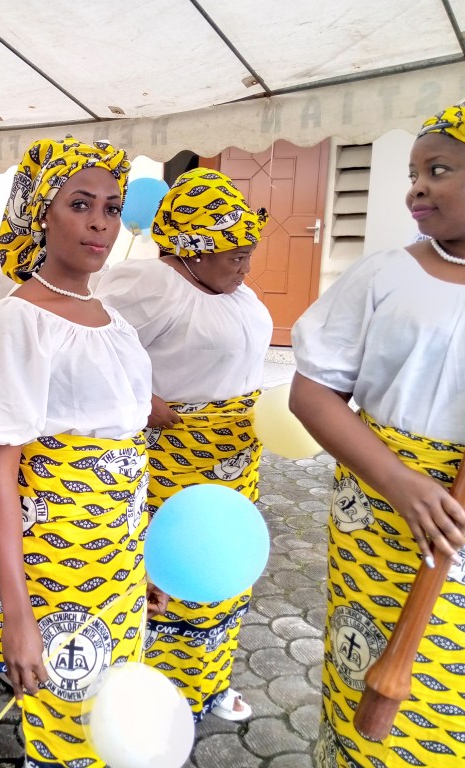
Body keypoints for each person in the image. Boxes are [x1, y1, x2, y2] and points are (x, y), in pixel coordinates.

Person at [289, 73, 465, 767]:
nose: (415, 189)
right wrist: (400, 482)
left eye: (438, 171)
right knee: (365, 684)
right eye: (413, 174)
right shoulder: (383, 275)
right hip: (381, 518)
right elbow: (311, 394)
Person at [0, 137, 154, 767]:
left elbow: (127, 448)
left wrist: (142, 556)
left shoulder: (111, 318)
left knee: (110, 715)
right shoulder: (15, 319)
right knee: (69, 729)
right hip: (57, 562)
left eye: (111, 207)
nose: (100, 222)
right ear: (40, 214)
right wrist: (16, 615)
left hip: (119, 555)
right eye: (80, 204)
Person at [97, 168, 271, 722]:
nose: (245, 266)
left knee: (219, 562)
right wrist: (141, 396)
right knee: (170, 568)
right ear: (193, 251)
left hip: (233, 460)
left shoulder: (233, 291)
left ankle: (207, 682)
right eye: (235, 255)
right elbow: (87, 345)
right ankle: (153, 694)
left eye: (249, 254)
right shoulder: (149, 286)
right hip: (175, 461)